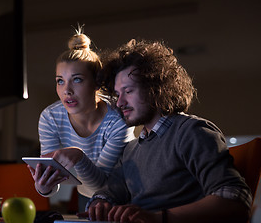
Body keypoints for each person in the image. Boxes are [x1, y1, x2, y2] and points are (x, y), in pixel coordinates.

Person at [81, 39, 252, 223]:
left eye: (128, 91)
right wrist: (100, 203)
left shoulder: (191, 132)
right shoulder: (130, 150)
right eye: (117, 94)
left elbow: (236, 200)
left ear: (156, 89)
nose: (120, 102)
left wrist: (158, 218)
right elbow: (108, 193)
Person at [27, 28, 135, 211]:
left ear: (97, 83)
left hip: (127, 196)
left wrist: (78, 156)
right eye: (60, 81)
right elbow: (52, 176)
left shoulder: (118, 118)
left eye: (76, 80)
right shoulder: (50, 117)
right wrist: (43, 188)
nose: (66, 90)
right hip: (86, 196)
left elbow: (101, 186)